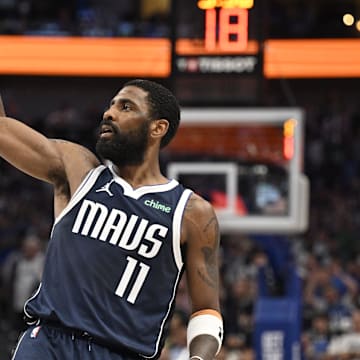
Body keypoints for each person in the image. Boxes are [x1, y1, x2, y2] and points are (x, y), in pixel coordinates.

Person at [0, 79, 223, 360]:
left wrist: (197, 358)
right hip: (48, 344)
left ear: (158, 127)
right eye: (111, 105)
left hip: (122, 352)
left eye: (126, 107)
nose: (109, 113)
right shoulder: (79, 171)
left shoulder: (191, 213)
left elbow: (207, 312)